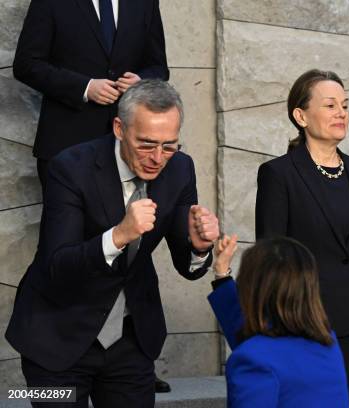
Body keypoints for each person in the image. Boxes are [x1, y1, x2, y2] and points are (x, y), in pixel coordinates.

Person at [5, 80, 219, 407]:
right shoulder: (69, 167)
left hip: (130, 341)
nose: (157, 158)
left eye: (169, 145)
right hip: (54, 338)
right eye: (146, 144)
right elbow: (57, 265)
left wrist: (200, 246)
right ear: (120, 128)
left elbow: (186, 263)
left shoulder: (180, 168)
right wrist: (119, 235)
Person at [255, 69, 349, 408]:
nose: (341, 113)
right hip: (303, 328)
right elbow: (272, 261)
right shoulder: (279, 174)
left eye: (345, 106)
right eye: (330, 105)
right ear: (300, 116)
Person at [13, 0, 169, 191]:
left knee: (131, 221)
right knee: (64, 221)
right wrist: (85, 88)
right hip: (67, 145)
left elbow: (159, 67)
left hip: (128, 146)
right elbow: (26, 64)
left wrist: (140, 81)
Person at [207, 235, 349, 408]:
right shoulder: (327, 342)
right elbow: (259, 340)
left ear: (252, 289)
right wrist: (222, 273)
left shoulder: (253, 359)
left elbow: (258, 349)